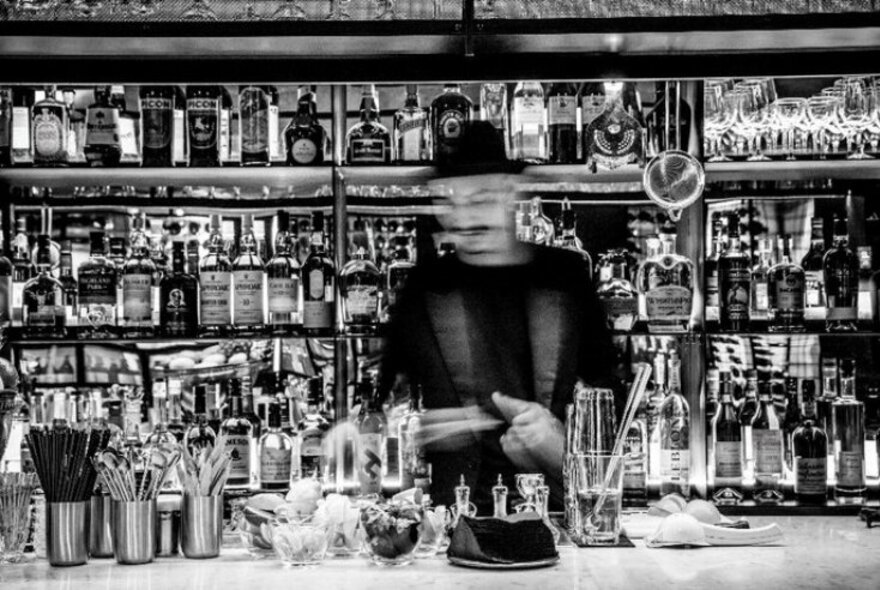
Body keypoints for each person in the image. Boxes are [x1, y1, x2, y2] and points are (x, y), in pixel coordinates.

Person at [379, 121, 619, 512]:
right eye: (448, 202)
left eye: (479, 199)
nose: (461, 218)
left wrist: (556, 441)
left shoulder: (565, 277)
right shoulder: (424, 286)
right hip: (453, 520)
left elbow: (610, 397)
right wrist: (421, 428)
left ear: (512, 193)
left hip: (555, 512)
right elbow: (384, 397)